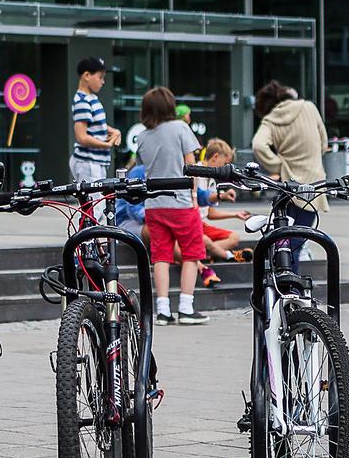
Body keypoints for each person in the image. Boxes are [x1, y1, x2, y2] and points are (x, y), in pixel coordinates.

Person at [135, 86, 208, 325]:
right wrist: (196, 198)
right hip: (181, 202)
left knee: (161, 257)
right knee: (191, 254)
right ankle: (186, 307)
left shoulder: (143, 136)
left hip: (154, 204)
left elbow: (142, 165)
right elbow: (191, 166)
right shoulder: (180, 128)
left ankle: (163, 310)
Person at [251, 80, 329, 271]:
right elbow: (324, 142)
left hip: (286, 186)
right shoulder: (309, 108)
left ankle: (276, 290)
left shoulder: (270, 120)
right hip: (312, 187)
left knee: (282, 241)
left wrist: (278, 166)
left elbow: (258, 145)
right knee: (296, 244)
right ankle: (292, 291)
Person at [195, 138, 253, 286]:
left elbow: (209, 213)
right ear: (215, 157)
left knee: (234, 237)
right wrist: (222, 195)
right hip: (192, 224)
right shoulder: (195, 172)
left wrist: (235, 214)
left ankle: (209, 254)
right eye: (225, 163)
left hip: (203, 225)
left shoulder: (212, 180)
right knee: (205, 240)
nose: (225, 168)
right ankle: (224, 255)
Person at [70, 56, 121, 189]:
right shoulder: (82, 101)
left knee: (97, 204)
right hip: (89, 162)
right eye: (100, 77)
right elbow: (81, 137)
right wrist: (106, 144)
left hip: (95, 161)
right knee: (95, 205)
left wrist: (114, 131)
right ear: (86, 75)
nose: (103, 82)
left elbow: (96, 124)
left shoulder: (91, 98)